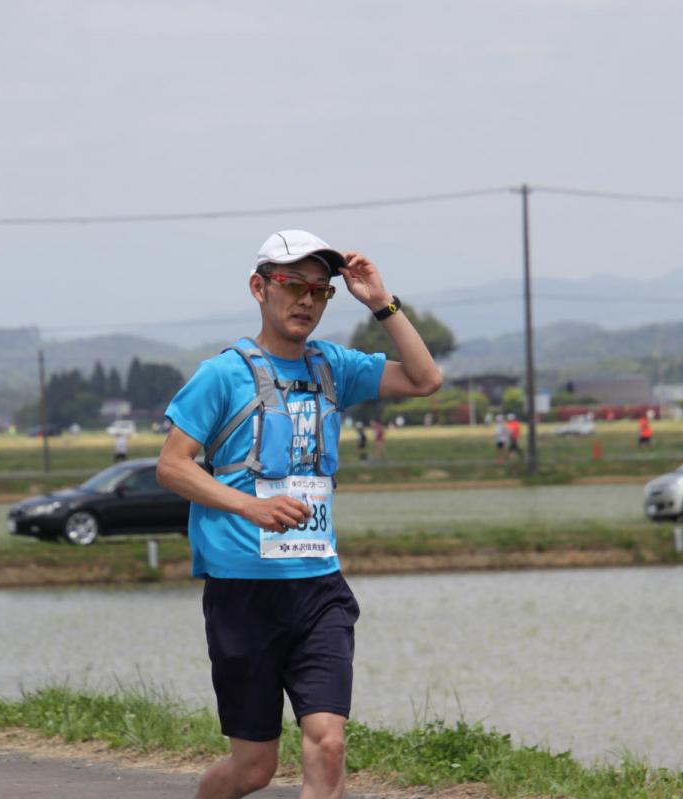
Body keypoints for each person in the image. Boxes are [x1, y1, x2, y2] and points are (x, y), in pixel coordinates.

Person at [157, 230, 441, 799]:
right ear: (260, 288)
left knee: (328, 744)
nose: (306, 300)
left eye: (320, 290)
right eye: (293, 285)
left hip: (318, 589)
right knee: (254, 769)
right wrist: (249, 506)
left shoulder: (333, 366)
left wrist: (380, 302)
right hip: (242, 593)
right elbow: (172, 466)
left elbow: (424, 379)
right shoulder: (222, 374)